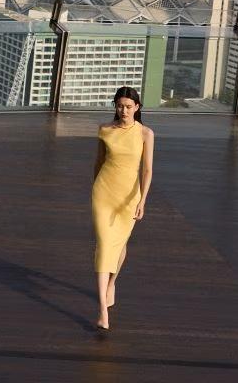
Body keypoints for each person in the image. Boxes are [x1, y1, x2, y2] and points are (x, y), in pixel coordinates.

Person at [91, 85, 153, 332]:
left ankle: (111, 283)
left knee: (120, 245)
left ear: (137, 107)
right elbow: (98, 163)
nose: (124, 110)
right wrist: (94, 189)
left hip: (129, 198)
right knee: (104, 245)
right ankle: (102, 312)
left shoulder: (145, 133)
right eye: (119, 106)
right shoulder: (105, 130)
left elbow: (147, 170)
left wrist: (142, 201)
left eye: (128, 106)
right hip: (103, 194)